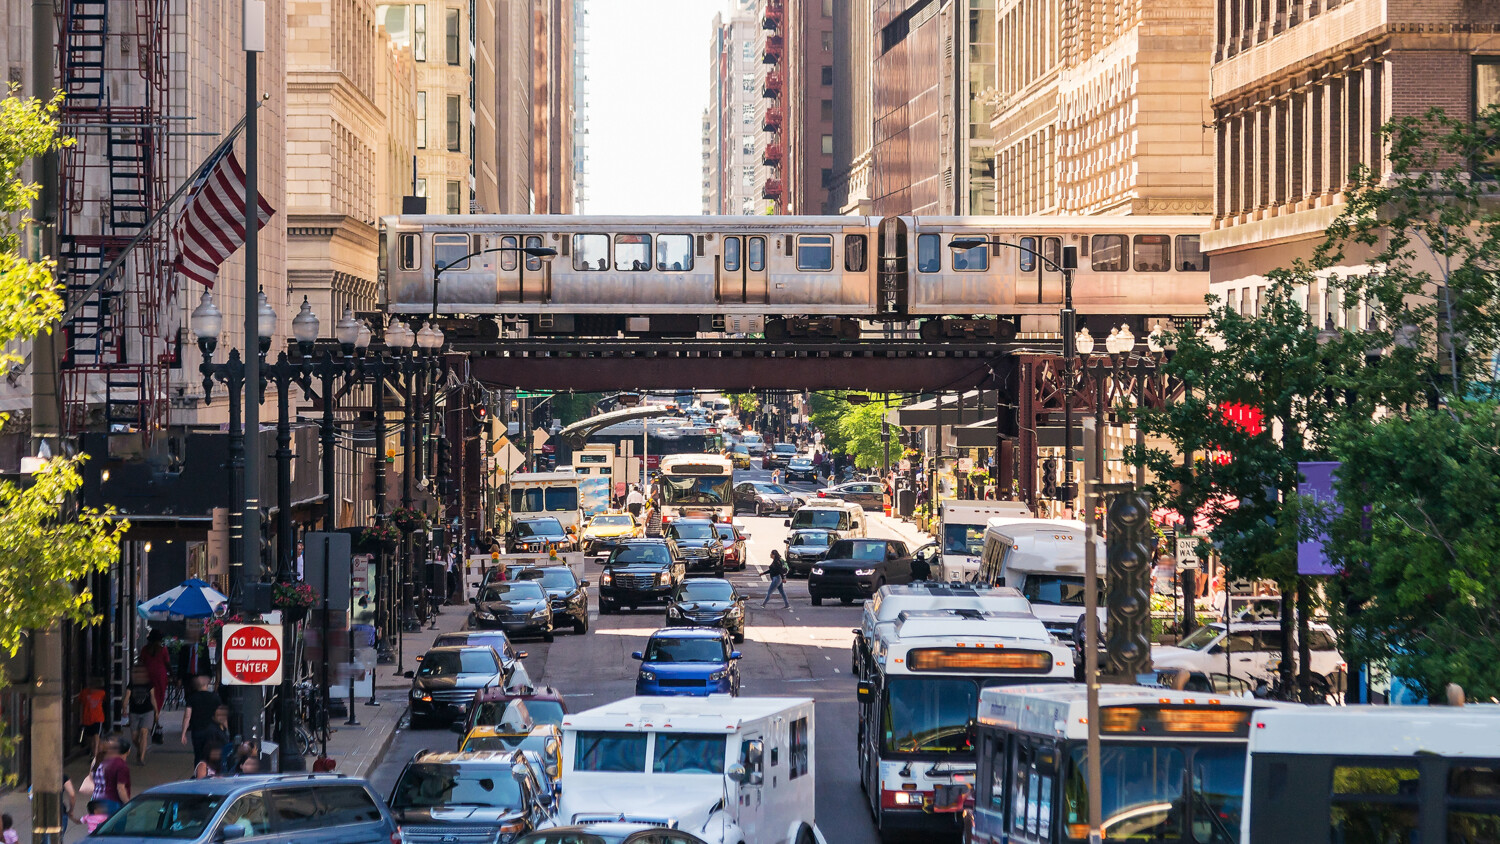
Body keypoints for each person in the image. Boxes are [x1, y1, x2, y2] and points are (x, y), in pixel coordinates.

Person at [180, 676, 223, 766]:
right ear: (207, 684)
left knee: (198, 755)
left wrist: (183, 733)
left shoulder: (192, 698)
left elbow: (187, 716)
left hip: (197, 730)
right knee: (212, 755)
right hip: (212, 730)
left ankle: (199, 774)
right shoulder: (215, 697)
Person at [86, 735, 131, 816]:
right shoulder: (118, 764)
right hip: (111, 800)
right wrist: (128, 805)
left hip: (96, 798)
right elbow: (120, 788)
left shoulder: (97, 759)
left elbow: (91, 777)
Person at [125, 665, 160, 765]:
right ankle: (141, 749)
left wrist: (156, 711)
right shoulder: (131, 684)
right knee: (134, 738)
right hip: (134, 712)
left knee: (144, 732)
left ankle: (141, 758)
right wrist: (124, 707)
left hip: (147, 711)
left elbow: (153, 698)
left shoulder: (149, 684)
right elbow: (127, 695)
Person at [139, 629, 171, 712]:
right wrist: (172, 674)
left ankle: (149, 714)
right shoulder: (163, 649)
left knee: (148, 696)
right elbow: (167, 663)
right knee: (159, 696)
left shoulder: (145, 649)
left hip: (147, 675)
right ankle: (156, 715)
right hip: (160, 676)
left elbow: (141, 662)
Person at [77, 677, 106, 759]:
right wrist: (81, 718)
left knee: (96, 736)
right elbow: (81, 705)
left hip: (98, 718)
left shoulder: (102, 693)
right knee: (90, 738)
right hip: (87, 718)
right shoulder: (85, 693)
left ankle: (95, 755)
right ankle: (94, 751)